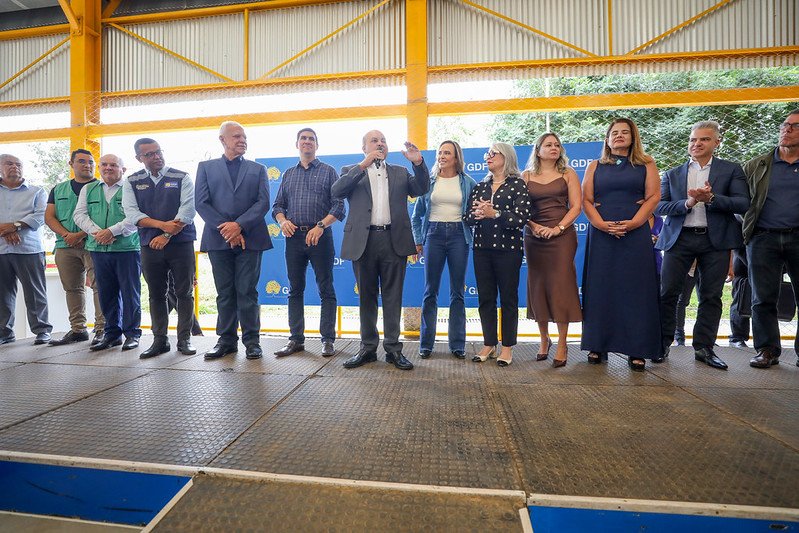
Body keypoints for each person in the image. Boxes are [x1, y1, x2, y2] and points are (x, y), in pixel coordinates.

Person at [655, 120, 750, 370]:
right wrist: (687, 203)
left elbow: (743, 203)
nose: (696, 144)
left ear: (716, 142)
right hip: (679, 239)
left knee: (711, 295)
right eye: (693, 139)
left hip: (715, 241)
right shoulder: (673, 173)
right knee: (668, 293)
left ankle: (704, 348)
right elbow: (659, 206)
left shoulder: (731, 170)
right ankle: (661, 344)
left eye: (704, 139)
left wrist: (712, 198)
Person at [331, 130, 429, 370]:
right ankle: (367, 348)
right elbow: (337, 191)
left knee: (393, 297)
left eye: (383, 140)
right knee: (366, 297)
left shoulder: (400, 172)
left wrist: (418, 163)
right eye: (374, 141)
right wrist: (363, 165)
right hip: (363, 241)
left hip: (393, 240)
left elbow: (421, 188)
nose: (380, 144)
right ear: (364, 148)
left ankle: (393, 349)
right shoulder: (351, 170)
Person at [581, 118, 661, 371]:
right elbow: (586, 200)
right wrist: (600, 224)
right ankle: (597, 345)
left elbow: (653, 197)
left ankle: (637, 348)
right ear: (607, 139)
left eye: (624, 132)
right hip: (601, 234)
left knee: (636, 290)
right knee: (601, 288)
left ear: (633, 137)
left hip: (635, 234)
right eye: (614, 132)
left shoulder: (646, 163)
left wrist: (635, 223)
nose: (619, 136)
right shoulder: (595, 166)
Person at [195, 121, 272, 361]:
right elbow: (201, 203)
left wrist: (239, 226)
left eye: (244, 136)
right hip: (218, 240)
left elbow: (263, 202)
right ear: (223, 140)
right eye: (237, 136)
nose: (242, 140)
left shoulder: (258, 169)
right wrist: (227, 229)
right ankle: (226, 341)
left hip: (251, 239)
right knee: (225, 292)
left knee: (247, 291)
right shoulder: (205, 168)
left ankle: (252, 342)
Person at [272, 128, 345, 358]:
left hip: (320, 237)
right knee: (295, 289)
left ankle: (328, 340)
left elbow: (339, 206)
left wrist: (321, 226)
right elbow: (278, 206)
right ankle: (296, 339)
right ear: (297, 144)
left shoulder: (329, 172)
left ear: (316, 145)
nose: (307, 142)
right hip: (293, 238)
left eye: (311, 139)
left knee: (326, 289)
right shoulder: (288, 174)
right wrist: (282, 221)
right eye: (303, 138)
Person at [123, 138, 197, 359]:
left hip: (181, 244)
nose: (156, 157)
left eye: (158, 152)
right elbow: (132, 214)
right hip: (149, 245)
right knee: (156, 294)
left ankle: (184, 339)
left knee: (184, 292)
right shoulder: (132, 181)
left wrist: (166, 235)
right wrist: (162, 226)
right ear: (139, 158)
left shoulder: (181, 177)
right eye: (149, 154)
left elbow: (188, 210)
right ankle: (160, 340)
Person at [464, 142, 532, 367]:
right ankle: (489, 343)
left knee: (509, 299)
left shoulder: (517, 185)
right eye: (488, 153)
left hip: (508, 250)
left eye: (494, 153)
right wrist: (478, 213)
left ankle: (507, 347)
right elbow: (467, 218)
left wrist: (495, 213)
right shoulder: (480, 186)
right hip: (482, 249)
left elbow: (521, 218)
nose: (489, 156)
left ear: (507, 157)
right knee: (485, 298)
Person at [742, 109, 799, 369]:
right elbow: (741, 202)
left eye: (794, 126)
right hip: (763, 238)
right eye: (785, 125)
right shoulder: (757, 165)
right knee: (762, 298)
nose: (787, 129)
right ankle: (767, 350)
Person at [411, 140, 476, 360]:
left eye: (447, 153)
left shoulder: (468, 182)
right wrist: (418, 241)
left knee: (457, 292)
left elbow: (474, 213)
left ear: (456, 158)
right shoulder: (428, 182)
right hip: (433, 235)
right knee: (430, 291)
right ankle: (426, 344)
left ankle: (457, 345)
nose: (442, 156)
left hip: (459, 236)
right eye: (440, 152)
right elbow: (416, 216)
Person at [522, 133, 582, 368]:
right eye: (548, 145)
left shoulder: (568, 173)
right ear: (538, 151)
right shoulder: (526, 176)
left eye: (557, 144)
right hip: (534, 237)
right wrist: (534, 226)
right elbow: (520, 209)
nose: (554, 148)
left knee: (561, 288)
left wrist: (558, 228)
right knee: (538, 286)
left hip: (562, 236)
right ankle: (544, 339)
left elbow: (576, 207)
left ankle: (562, 343)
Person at [73, 154, 142, 351]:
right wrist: (98, 233)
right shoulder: (89, 189)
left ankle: (132, 334)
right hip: (98, 249)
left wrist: (112, 231)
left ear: (123, 169)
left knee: (130, 293)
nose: (108, 168)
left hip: (127, 249)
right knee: (106, 293)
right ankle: (111, 335)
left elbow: (135, 217)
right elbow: (79, 214)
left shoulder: (131, 188)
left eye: (113, 165)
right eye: (104, 164)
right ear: (99, 168)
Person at [45, 150, 105, 346]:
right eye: (81, 161)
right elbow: (49, 217)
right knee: (72, 288)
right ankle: (78, 329)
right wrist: (66, 235)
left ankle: (102, 329)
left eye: (91, 162)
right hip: (65, 246)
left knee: (99, 287)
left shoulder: (102, 187)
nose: (87, 165)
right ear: (71, 164)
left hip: (94, 244)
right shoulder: (58, 189)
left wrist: (79, 235)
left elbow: (104, 217)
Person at [0, 154, 52, 345]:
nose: (15, 167)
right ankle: (4, 333)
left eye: (18, 164)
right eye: (9, 164)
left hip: (29, 249)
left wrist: (15, 226)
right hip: (1, 249)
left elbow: (41, 216)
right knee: (2, 294)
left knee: (35, 292)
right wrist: (6, 230)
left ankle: (42, 330)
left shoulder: (37, 191)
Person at [728, 241, 751, 348]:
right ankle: (737, 337)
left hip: (769, 255)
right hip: (744, 253)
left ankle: (767, 340)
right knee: (741, 297)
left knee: (767, 299)